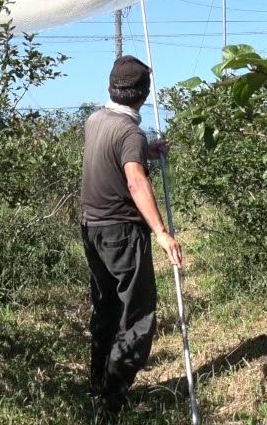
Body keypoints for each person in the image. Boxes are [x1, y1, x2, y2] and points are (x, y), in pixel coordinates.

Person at [80, 55, 184, 418]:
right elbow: (135, 181)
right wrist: (161, 232)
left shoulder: (96, 120)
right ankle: (114, 397)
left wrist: (145, 152)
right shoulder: (130, 133)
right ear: (144, 93)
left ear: (111, 88)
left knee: (106, 306)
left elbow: (117, 160)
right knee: (137, 313)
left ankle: (98, 382)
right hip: (122, 232)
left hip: (92, 229)